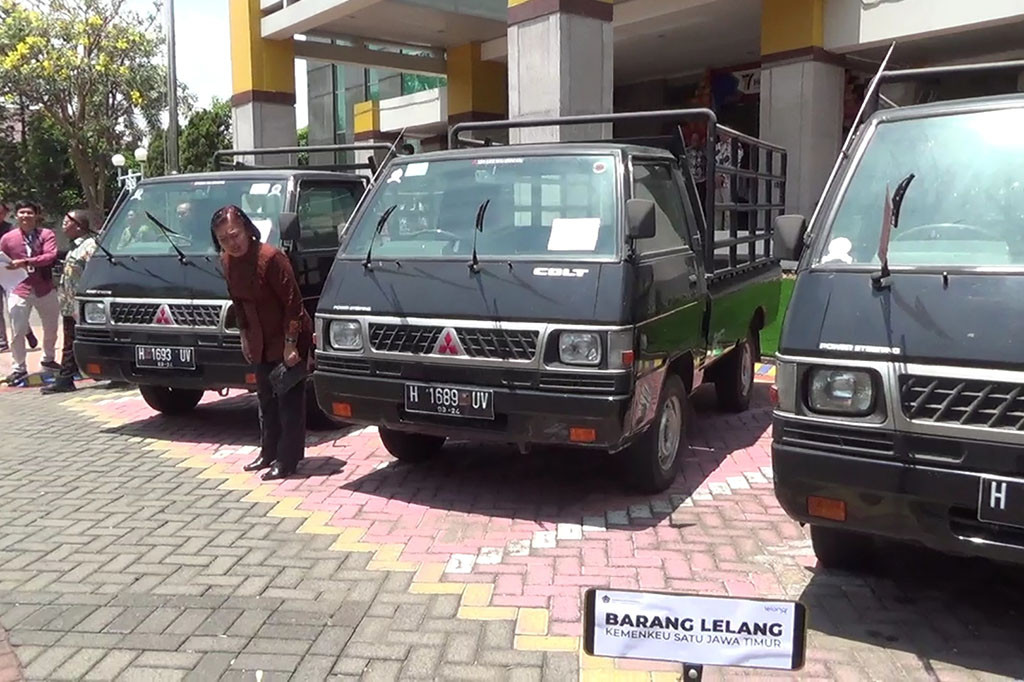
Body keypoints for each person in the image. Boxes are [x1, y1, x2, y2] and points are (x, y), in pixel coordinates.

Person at [211, 205, 312, 481]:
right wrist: (244, 336)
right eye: (224, 239)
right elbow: (239, 303)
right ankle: (268, 452)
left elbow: (293, 304)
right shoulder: (227, 262)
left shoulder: (271, 257)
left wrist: (291, 344)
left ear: (246, 229)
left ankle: (288, 460)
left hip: (286, 336)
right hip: (260, 339)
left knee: (288, 403)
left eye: (235, 235)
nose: (232, 243)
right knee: (265, 400)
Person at [0, 200, 59, 385]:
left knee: (51, 328)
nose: (25, 216)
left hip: (44, 287)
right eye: (22, 213)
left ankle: (48, 359)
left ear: (36, 215)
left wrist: (26, 262)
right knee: (17, 331)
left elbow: (50, 256)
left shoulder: (46, 234)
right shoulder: (8, 238)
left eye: (29, 212)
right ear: (16, 216)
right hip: (19, 288)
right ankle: (19, 367)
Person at [41, 210, 97, 394]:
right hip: (69, 304)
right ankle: (68, 377)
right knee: (72, 340)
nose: (64, 224)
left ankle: (65, 378)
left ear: (79, 226)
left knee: (73, 341)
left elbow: (93, 275)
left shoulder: (89, 246)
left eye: (67, 221)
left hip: (81, 306)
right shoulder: (74, 247)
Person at [0, 202, 38, 354]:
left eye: (1, 213)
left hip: (11, 273)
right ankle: (2, 341)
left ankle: (27, 330)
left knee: (14, 307)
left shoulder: (11, 230)